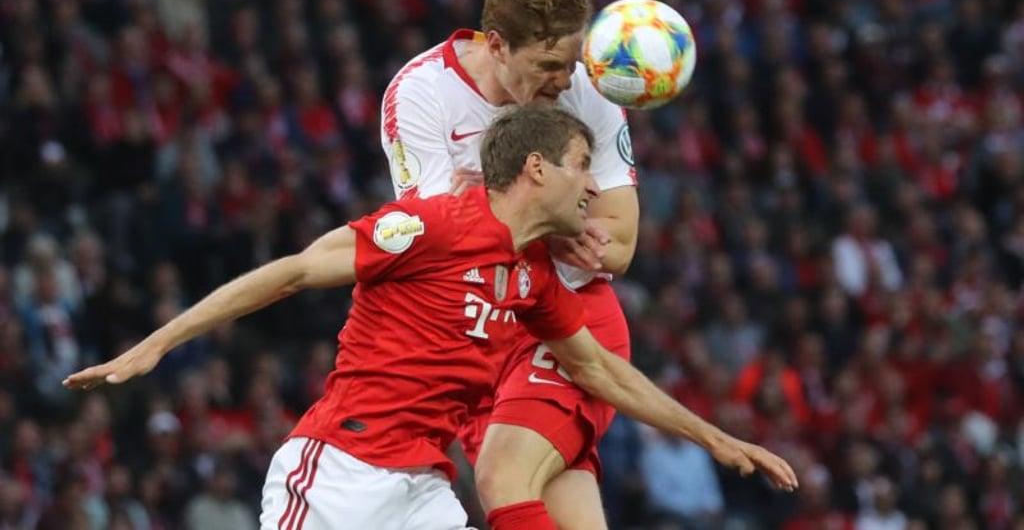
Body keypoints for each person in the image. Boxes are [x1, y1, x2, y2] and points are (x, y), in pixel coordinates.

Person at [65, 106, 798, 530]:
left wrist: (716, 438)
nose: (593, 185)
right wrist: (153, 347)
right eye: (582, 163)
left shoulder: (535, 279)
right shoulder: (430, 225)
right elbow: (291, 272)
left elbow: (602, 372)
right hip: (338, 472)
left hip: (422, 491)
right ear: (536, 168)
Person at [380, 0, 639, 528]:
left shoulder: (589, 89)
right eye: (548, 65)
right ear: (496, 46)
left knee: (502, 479)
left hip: (569, 317)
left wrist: (511, 215)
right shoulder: (421, 94)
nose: (565, 82)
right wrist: (554, 225)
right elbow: (436, 247)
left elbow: (618, 244)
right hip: (480, 333)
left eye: (570, 63)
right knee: (557, 509)